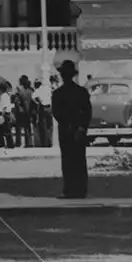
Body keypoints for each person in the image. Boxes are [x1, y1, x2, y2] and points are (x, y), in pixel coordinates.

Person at [52, 60, 92, 199]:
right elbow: (87, 113)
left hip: (67, 130)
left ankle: (70, 190)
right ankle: (79, 189)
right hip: (74, 130)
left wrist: (71, 126)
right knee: (78, 160)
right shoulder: (81, 92)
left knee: (69, 161)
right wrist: (80, 127)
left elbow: (57, 113)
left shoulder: (58, 93)